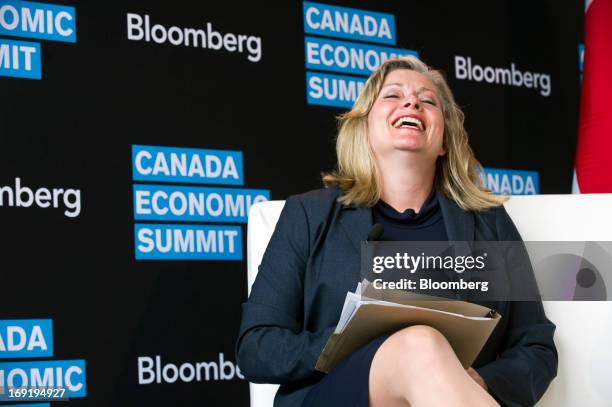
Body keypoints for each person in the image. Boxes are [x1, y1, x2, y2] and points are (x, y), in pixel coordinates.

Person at [236, 56, 557, 407]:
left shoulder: (489, 221)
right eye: (393, 95)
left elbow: (536, 345)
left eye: (428, 100)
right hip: (335, 396)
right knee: (420, 343)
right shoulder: (309, 215)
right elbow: (258, 348)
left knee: (424, 348)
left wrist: (478, 380)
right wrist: (355, 341)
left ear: (445, 140)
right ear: (366, 129)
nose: (412, 102)